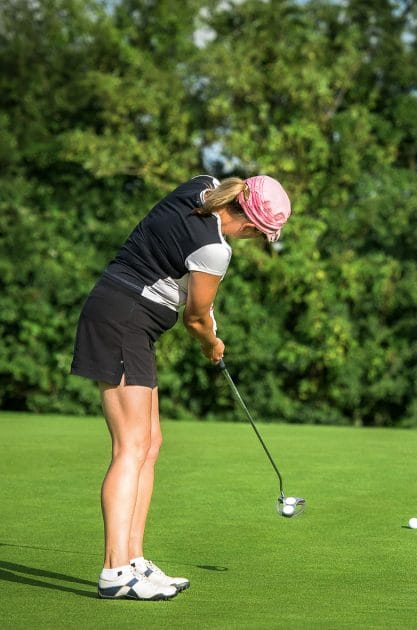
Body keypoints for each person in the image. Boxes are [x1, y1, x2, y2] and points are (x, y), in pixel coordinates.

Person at [70, 174, 291, 600]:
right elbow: (194, 318)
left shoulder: (201, 185)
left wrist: (205, 324)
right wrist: (212, 342)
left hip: (131, 321)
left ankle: (134, 560)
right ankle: (114, 570)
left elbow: (175, 266)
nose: (253, 240)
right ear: (249, 225)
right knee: (130, 447)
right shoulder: (215, 250)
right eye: (258, 235)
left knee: (151, 442)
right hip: (123, 317)